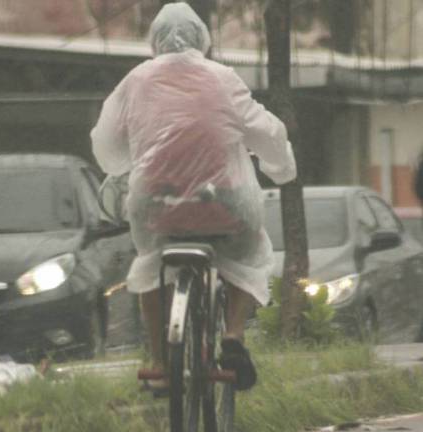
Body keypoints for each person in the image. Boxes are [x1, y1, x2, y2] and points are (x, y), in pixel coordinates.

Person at [90, 3, 296, 391]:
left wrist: (124, 163)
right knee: (250, 253)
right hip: (225, 206)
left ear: (155, 41)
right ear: (203, 39)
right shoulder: (222, 78)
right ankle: (233, 336)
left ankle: (159, 361)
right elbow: (265, 131)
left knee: (151, 267)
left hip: (156, 208)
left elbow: (105, 145)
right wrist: (282, 167)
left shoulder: (135, 81)